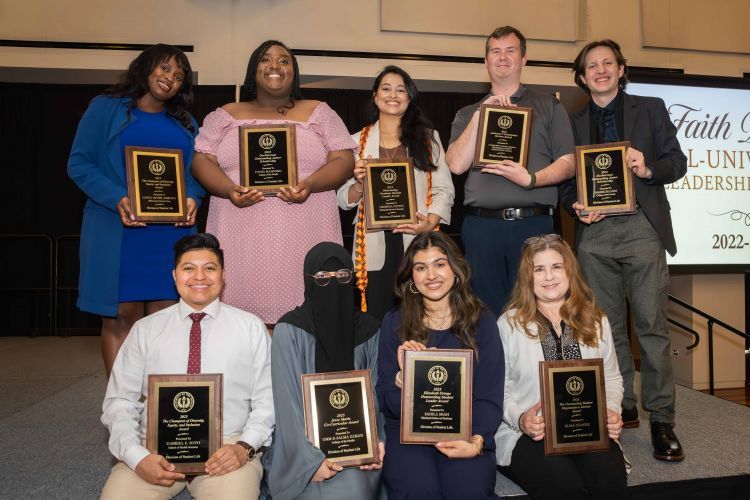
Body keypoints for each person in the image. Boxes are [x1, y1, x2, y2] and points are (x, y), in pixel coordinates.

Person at [559, 39, 687, 461]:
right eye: (591, 65)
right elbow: (563, 180)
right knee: (607, 330)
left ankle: (662, 419)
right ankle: (624, 405)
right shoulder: (571, 121)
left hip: (642, 226)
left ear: (620, 69)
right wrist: (575, 204)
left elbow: (677, 161)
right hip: (594, 233)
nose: (600, 70)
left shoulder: (650, 107)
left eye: (607, 63)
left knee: (651, 326)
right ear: (581, 76)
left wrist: (647, 167)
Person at [191, 40, 356, 324]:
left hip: (306, 230)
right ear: (253, 70)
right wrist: (229, 190)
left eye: (284, 60)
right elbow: (200, 161)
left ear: (294, 71)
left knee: (308, 321)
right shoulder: (226, 114)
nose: (275, 66)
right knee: (240, 321)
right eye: (265, 60)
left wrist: (311, 184)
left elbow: (344, 160)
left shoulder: (319, 112)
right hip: (239, 233)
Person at [100, 233, 274, 499]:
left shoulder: (251, 328)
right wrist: (137, 457)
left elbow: (268, 400)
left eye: (210, 268)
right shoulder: (145, 330)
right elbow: (120, 401)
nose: (199, 277)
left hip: (226, 448)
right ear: (174, 275)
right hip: (154, 449)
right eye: (189, 268)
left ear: (223, 275)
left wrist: (244, 447)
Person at [67, 44, 205, 376]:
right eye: (164, 68)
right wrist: (116, 196)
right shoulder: (105, 108)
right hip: (117, 231)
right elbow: (79, 163)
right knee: (120, 320)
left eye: (178, 75)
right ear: (145, 67)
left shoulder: (186, 122)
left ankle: (158, 413)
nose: (170, 78)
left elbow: (198, 172)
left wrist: (193, 198)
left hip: (169, 237)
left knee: (166, 324)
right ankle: (121, 412)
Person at [445, 26, 575, 316]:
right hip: (481, 229)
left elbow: (569, 162)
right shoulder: (468, 113)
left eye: (510, 50)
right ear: (486, 61)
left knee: (537, 313)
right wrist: (482, 115)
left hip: (533, 227)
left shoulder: (549, 106)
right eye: (495, 51)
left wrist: (531, 179)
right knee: (484, 315)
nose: (502, 57)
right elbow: (455, 164)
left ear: (523, 59)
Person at [495, 234, 627, 499]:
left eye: (556, 267)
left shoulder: (596, 320)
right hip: (527, 433)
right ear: (527, 278)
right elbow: (498, 388)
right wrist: (521, 419)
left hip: (586, 428)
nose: (549, 277)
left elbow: (612, 379)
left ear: (570, 271)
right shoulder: (508, 324)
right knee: (565, 486)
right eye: (539, 269)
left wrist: (611, 411)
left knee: (609, 481)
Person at [377, 232, 504, 499]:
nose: (431, 275)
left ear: (455, 270)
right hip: (407, 435)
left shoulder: (482, 321)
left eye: (440, 264)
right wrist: (404, 379)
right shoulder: (394, 323)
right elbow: (387, 400)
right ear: (411, 277)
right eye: (421, 268)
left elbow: (489, 395)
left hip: (466, 431)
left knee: (467, 489)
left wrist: (476, 441)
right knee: (418, 489)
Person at [261, 242, 385, 499]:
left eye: (341, 276)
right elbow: (287, 406)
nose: (333, 283)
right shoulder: (289, 329)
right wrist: (310, 463)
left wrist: (377, 443)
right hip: (298, 449)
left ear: (352, 279)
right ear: (308, 281)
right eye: (322, 278)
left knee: (356, 489)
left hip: (358, 445)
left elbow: (376, 397)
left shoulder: (369, 329)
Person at [336, 65, 454, 320]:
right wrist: (358, 184)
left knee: (419, 317)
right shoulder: (355, 142)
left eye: (401, 90)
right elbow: (343, 199)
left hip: (416, 238)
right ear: (375, 96)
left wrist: (430, 222)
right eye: (386, 88)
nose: (393, 95)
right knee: (378, 319)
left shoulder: (428, 139)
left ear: (410, 98)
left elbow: (445, 189)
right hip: (374, 241)